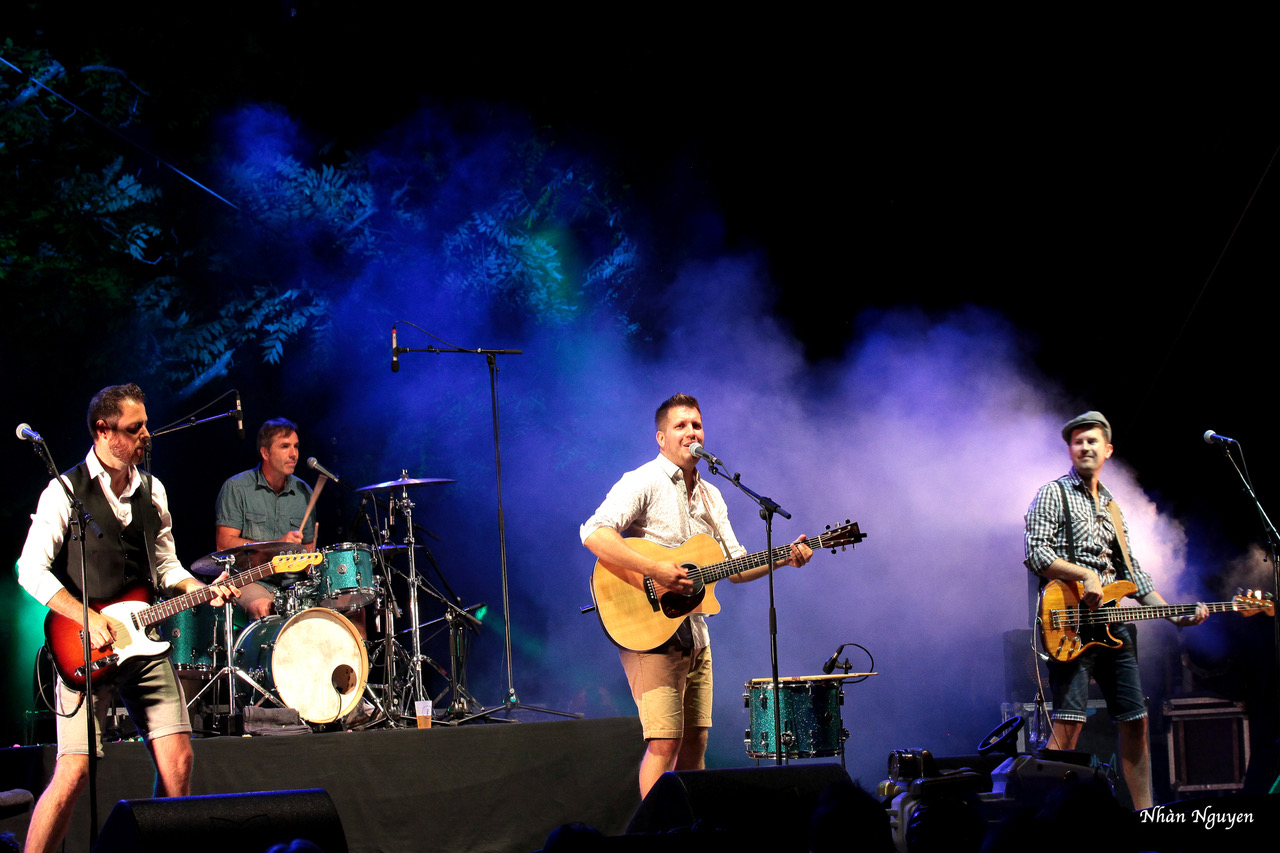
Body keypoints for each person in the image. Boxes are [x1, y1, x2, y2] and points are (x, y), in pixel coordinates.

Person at [16, 383, 238, 853]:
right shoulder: (63, 491)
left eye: (145, 425)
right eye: (134, 428)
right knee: (74, 772)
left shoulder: (152, 490)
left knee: (178, 761)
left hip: (143, 642)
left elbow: (166, 566)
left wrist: (203, 590)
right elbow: (29, 570)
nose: (146, 435)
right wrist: (86, 617)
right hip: (82, 645)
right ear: (103, 430)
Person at [581, 393, 812, 798]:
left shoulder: (712, 495)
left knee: (695, 742)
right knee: (663, 744)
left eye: (697, 425)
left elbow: (736, 567)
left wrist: (784, 559)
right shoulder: (643, 481)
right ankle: (654, 834)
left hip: (695, 632)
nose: (691, 432)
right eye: (681, 425)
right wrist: (656, 570)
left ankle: (690, 834)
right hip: (648, 629)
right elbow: (594, 533)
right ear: (661, 437)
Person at [1024, 410, 1208, 810]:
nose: (1085, 447)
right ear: (1070, 450)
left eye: (1092, 441)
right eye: (1078, 441)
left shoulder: (1112, 507)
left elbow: (1132, 574)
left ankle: (1147, 814)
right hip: (1069, 621)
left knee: (1135, 719)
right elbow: (1037, 554)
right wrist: (1084, 575)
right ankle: (1044, 820)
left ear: (1108, 450)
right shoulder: (1052, 493)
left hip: (1113, 624)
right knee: (1069, 725)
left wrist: (1172, 612)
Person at [214, 418, 318, 623]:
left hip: (293, 585)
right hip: (252, 580)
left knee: (347, 606)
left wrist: (305, 557)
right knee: (264, 607)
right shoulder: (237, 488)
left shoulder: (304, 492)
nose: (294, 454)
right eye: (285, 446)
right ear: (265, 453)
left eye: (296, 446)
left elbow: (309, 550)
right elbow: (224, 544)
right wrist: (276, 548)